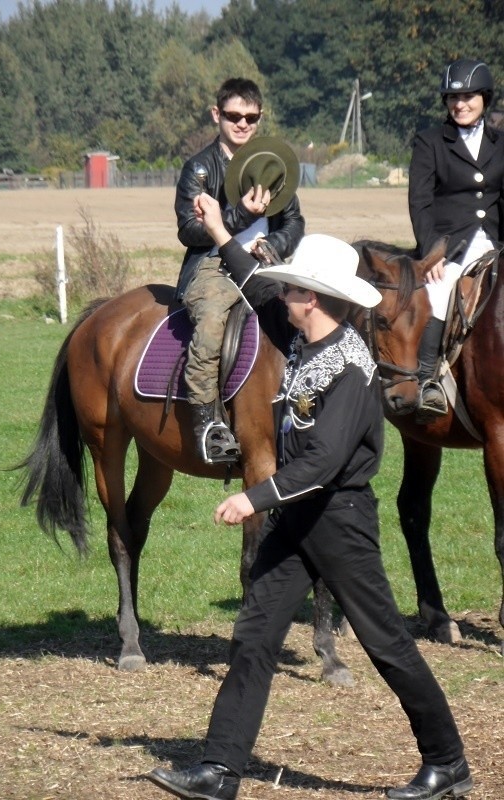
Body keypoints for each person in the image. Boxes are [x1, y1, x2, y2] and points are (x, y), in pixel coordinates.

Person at [146, 195, 472, 800]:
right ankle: (220, 770)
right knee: (255, 635)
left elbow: (324, 463)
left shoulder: (351, 368)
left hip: (340, 521)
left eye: (293, 287)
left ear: (313, 298)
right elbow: (251, 283)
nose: (284, 295)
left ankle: (447, 762)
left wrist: (254, 498)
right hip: (298, 520)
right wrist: (219, 230)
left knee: (387, 644)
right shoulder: (296, 334)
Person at [174, 77, 304, 463]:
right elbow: (189, 230)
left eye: (251, 117)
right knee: (213, 320)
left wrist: (274, 245)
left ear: (260, 119)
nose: (242, 124)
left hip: (267, 263)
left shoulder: (273, 164)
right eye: (234, 116)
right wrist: (241, 214)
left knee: (310, 314)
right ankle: (208, 422)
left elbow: (294, 223)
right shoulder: (198, 168)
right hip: (213, 265)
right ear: (217, 115)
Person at [409, 58, 504, 416]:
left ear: (484, 97)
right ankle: (427, 380)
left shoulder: (501, 142)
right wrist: (433, 253)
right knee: (439, 289)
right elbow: (419, 203)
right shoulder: (430, 142)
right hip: (451, 246)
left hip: (493, 242)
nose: (460, 104)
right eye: (453, 97)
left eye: (468, 97)